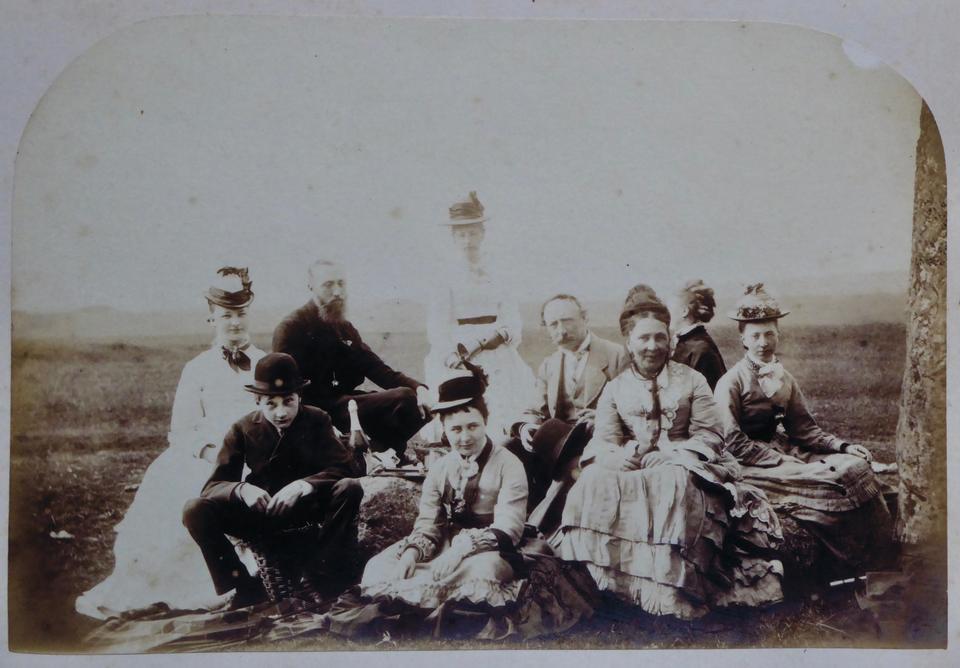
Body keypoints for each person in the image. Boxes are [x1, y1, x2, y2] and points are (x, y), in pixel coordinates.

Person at [554, 286, 784, 619]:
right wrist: (614, 456)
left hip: (688, 461)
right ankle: (617, 583)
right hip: (632, 464)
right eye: (644, 339)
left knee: (674, 481)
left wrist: (674, 452)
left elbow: (710, 433)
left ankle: (671, 587)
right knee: (591, 480)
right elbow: (603, 439)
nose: (652, 346)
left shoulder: (692, 380)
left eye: (659, 337)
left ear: (670, 340)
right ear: (630, 343)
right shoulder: (616, 388)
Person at [75, 267, 266, 619]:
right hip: (208, 455)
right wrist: (213, 455)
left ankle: (258, 578)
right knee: (181, 498)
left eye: (240, 314)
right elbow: (181, 432)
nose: (235, 323)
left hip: (256, 454)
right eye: (226, 316)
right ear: (212, 319)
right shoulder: (197, 368)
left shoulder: (264, 364)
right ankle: (222, 585)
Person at [713, 284, 895, 576]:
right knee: (828, 480)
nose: (763, 342)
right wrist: (779, 460)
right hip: (747, 462)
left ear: (778, 334)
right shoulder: (731, 382)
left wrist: (842, 446)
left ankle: (882, 557)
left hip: (784, 448)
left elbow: (805, 429)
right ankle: (852, 563)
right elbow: (731, 440)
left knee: (853, 467)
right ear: (743, 338)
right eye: (755, 335)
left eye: (769, 334)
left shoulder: (784, 378)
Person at [182, 353, 364, 608]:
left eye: (289, 401)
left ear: (300, 397)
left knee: (350, 488)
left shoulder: (316, 419)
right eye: (271, 404)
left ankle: (325, 577)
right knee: (195, 510)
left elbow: (345, 467)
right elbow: (213, 487)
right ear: (257, 401)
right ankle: (245, 587)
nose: (281, 412)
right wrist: (242, 490)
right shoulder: (242, 428)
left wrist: (305, 485)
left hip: (308, 512)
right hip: (263, 516)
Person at [273, 259, 431, 463]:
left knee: (420, 403)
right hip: (313, 414)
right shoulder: (292, 328)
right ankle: (369, 453)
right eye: (328, 285)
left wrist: (420, 388)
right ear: (311, 287)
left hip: (347, 407)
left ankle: (377, 452)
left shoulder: (343, 327)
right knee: (405, 398)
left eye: (341, 283)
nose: (337, 291)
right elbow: (285, 391)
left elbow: (376, 368)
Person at [422, 191, 537, 442]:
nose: (468, 240)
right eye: (461, 235)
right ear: (453, 238)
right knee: (463, 403)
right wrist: (452, 352)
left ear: (482, 234)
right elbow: (438, 324)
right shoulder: (444, 276)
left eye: (473, 233)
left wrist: (489, 340)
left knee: (507, 403)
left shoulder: (499, 271)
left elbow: (511, 319)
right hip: (458, 348)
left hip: (495, 345)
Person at [504, 294, 628, 525]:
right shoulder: (549, 364)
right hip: (557, 442)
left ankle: (541, 527)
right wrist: (526, 427)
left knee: (571, 467)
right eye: (553, 324)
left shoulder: (617, 355)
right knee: (507, 450)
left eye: (567, 320)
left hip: (596, 440)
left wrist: (604, 417)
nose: (561, 330)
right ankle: (510, 521)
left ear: (585, 318)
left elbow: (634, 406)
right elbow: (534, 408)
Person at [668, 279, 727, 390]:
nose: (667, 314)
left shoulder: (700, 348)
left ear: (684, 312)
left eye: (670, 308)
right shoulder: (685, 342)